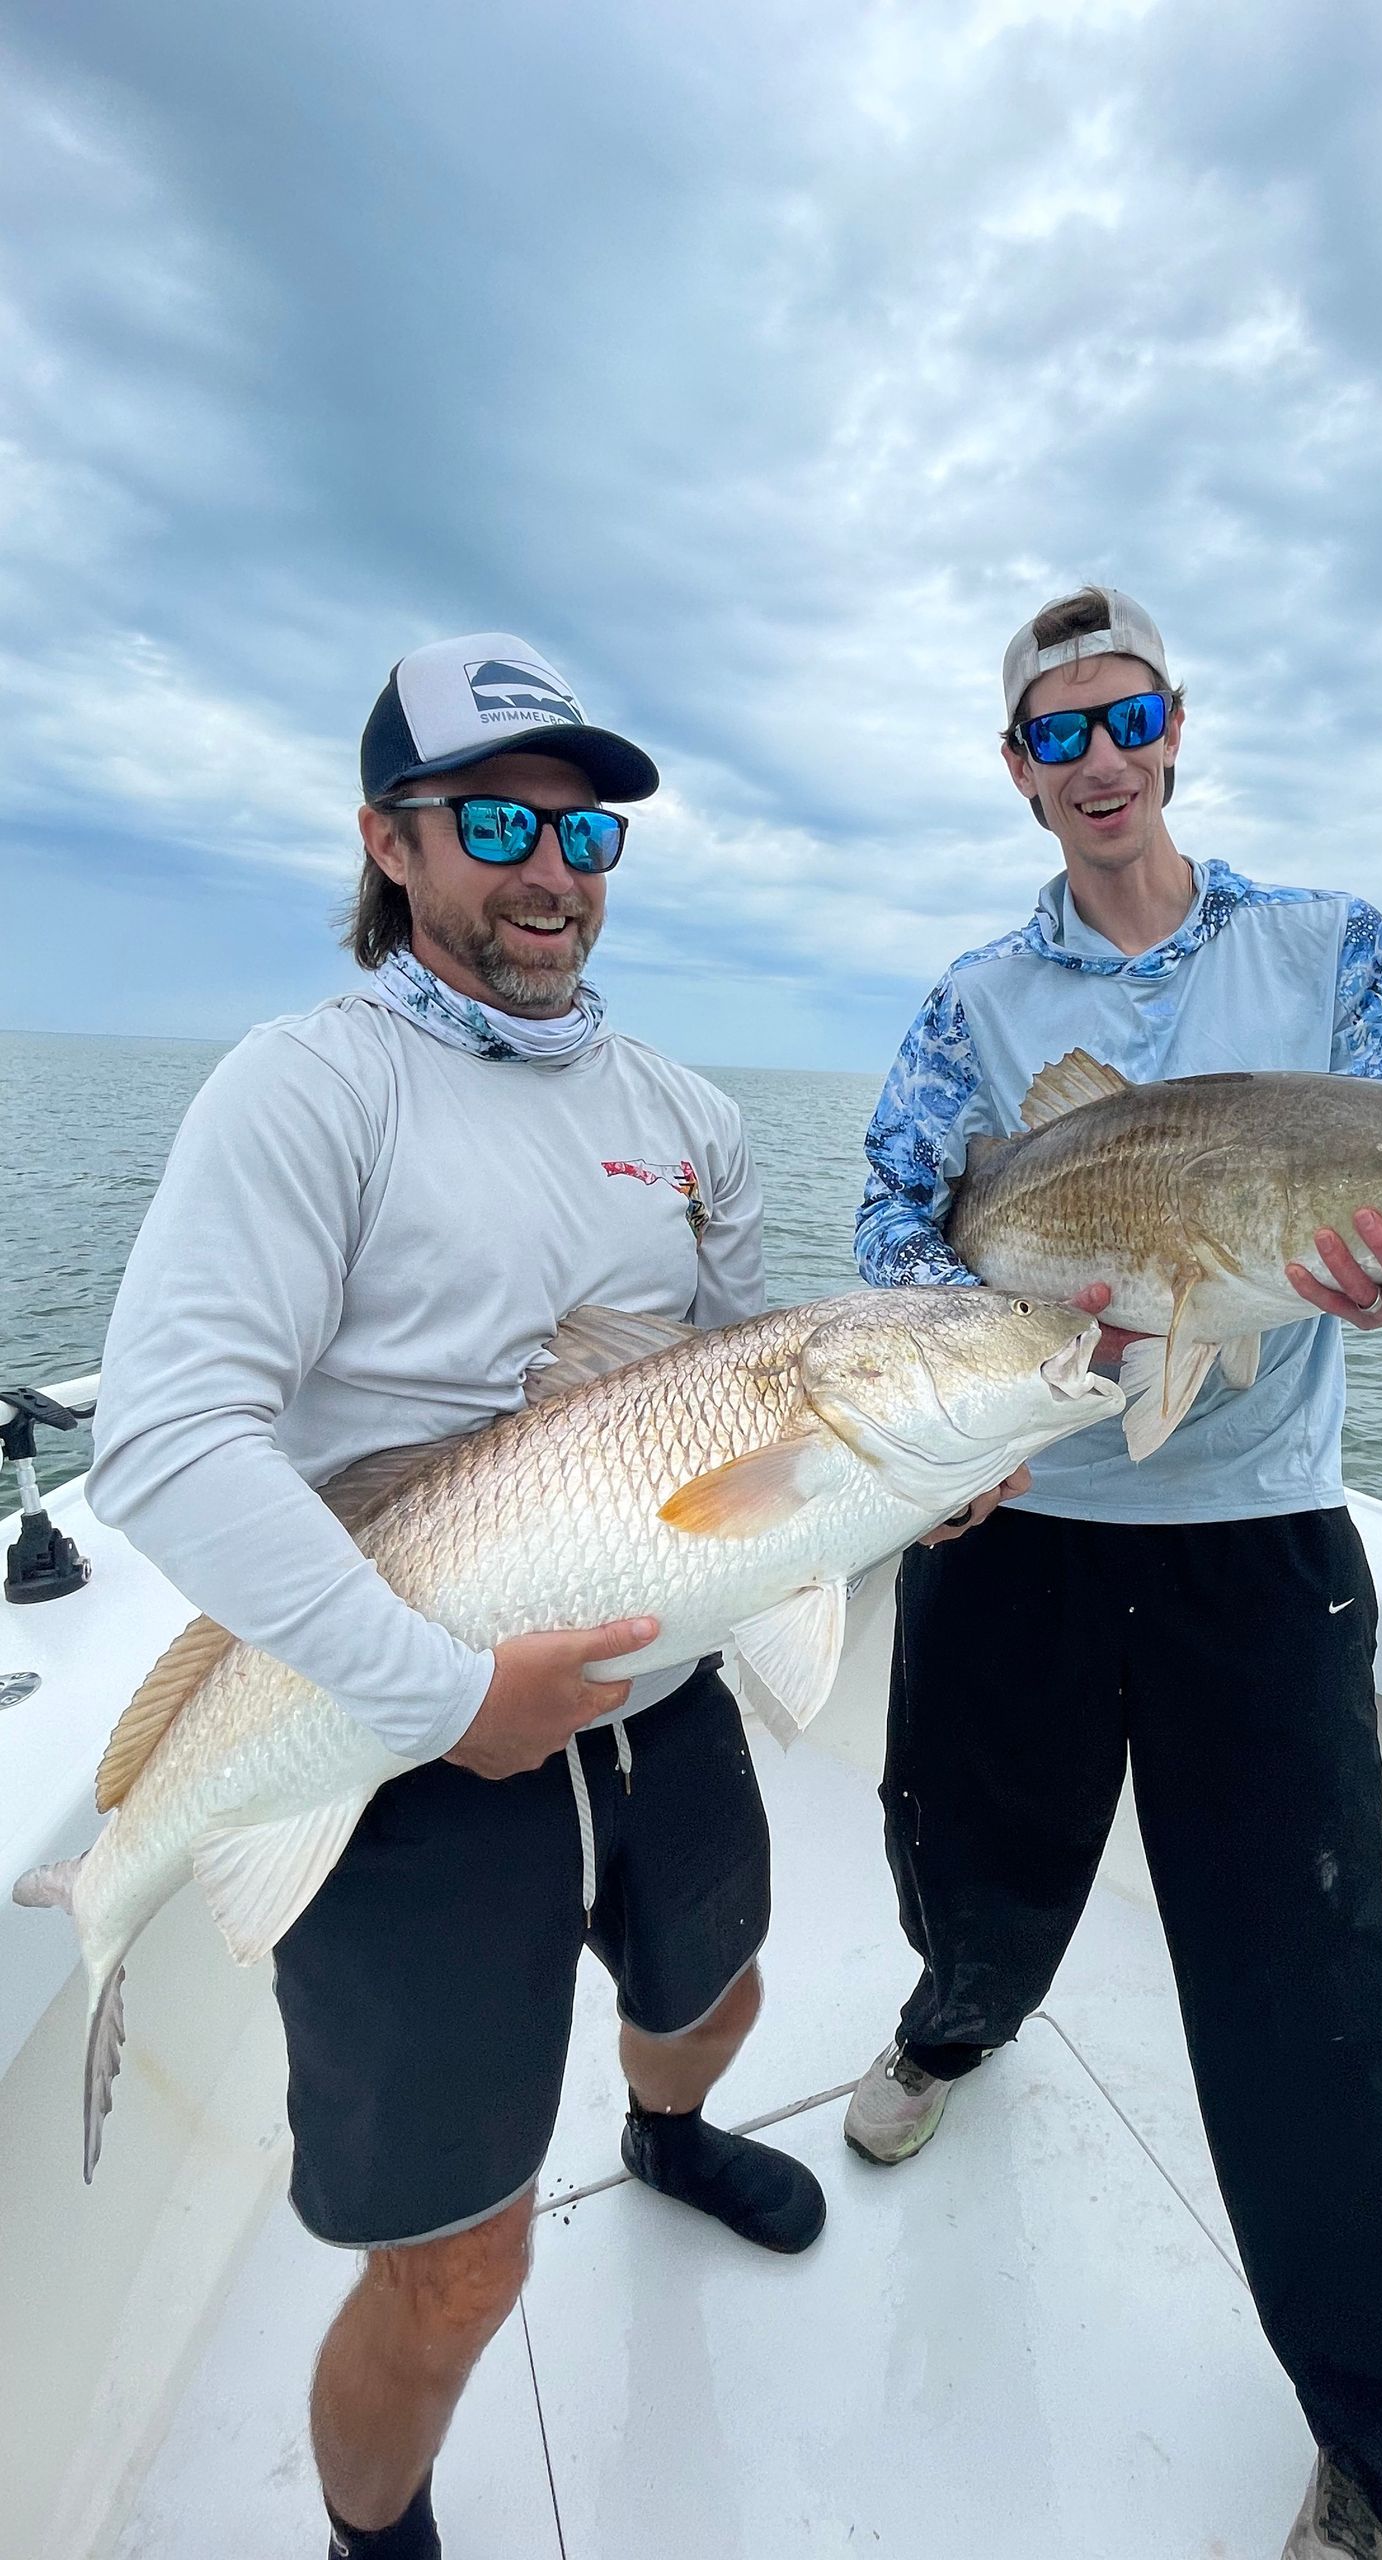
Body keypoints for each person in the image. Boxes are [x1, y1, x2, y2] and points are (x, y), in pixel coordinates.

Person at [88, 633, 825, 2560]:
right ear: (388, 845)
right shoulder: (305, 1089)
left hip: (657, 1685)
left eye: (588, 831)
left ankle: (664, 2137)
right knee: (456, 2269)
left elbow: (757, 1384)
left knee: (721, 1983)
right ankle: (375, 2534)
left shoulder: (690, 1113)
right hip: (394, 1725)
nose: (552, 867)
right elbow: (162, 1441)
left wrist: (939, 1463)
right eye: (498, 818)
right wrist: (437, 1698)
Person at [846, 587, 1382, 2560]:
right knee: (960, 1859)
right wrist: (955, 1392)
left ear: (1175, 725)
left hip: (1260, 1543)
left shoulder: (1329, 947)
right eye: (1059, 733)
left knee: (1304, 1995)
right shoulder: (974, 1000)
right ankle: (947, 2028)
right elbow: (905, 1209)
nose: (1102, 760)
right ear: (1019, 768)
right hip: (1026, 1521)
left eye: (1128, 716)